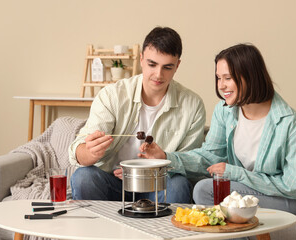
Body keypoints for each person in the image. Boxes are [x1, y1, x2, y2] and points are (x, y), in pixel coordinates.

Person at [139, 43, 296, 214]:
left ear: (251, 77)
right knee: (204, 188)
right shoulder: (225, 111)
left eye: (228, 78)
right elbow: (209, 157)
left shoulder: (290, 123)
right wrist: (165, 157)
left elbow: (294, 187)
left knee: (206, 190)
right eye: (218, 78)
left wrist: (234, 173)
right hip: (255, 189)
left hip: (295, 198)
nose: (221, 86)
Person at [68, 26, 206, 203]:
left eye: (167, 67)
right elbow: (78, 151)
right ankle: (99, 230)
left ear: (177, 65)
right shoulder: (112, 95)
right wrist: (91, 153)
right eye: (152, 64)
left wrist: (163, 159)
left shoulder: (192, 105)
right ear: (141, 59)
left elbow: (194, 165)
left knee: (179, 184)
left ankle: (165, 232)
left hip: (159, 185)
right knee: (83, 177)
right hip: (115, 184)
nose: (158, 74)